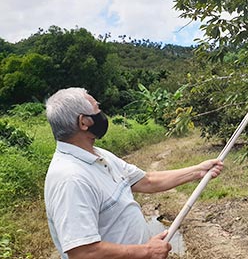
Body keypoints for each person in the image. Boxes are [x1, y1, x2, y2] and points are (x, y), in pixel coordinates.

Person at [44, 87, 223, 259]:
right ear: (84, 122)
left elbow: (148, 181)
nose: (101, 114)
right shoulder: (71, 178)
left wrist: (199, 170)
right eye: (97, 109)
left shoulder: (100, 155)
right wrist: (146, 251)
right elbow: (83, 253)